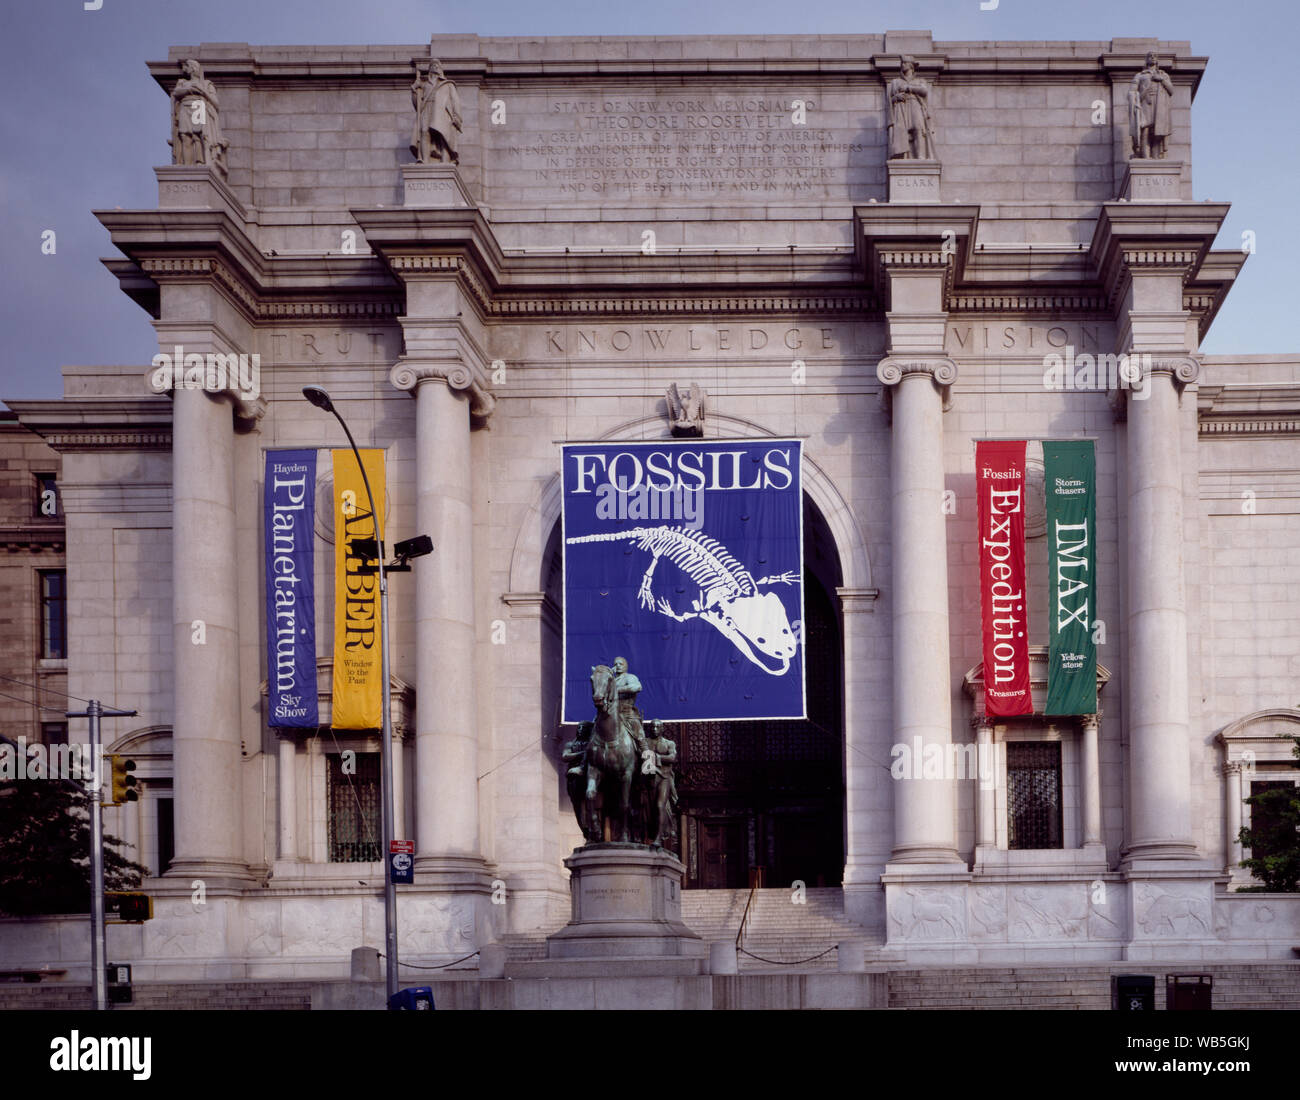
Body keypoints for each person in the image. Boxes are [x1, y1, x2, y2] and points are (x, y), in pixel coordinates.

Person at [170, 59, 228, 175]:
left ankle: (200, 162)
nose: (184, 69)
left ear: (193, 68)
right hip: (185, 107)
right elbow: (176, 92)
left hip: (198, 106)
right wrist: (190, 89)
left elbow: (216, 104)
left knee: (197, 136)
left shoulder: (206, 84)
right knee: (184, 136)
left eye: (186, 66)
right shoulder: (182, 82)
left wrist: (203, 92)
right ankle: (187, 165)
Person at [410, 59, 463, 164]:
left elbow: (455, 101)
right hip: (427, 109)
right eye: (432, 65)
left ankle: (445, 160)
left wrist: (457, 117)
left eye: (437, 65)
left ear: (440, 70)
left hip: (442, 113)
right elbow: (418, 105)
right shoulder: (424, 85)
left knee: (442, 136)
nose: (435, 67)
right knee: (424, 132)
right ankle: (425, 159)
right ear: (429, 69)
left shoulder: (448, 84)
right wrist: (414, 90)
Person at [887, 56, 936, 161]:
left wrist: (909, 88)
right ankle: (904, 155)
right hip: (901, 108)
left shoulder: (920, 80)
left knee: (918, 128)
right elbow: (890, 99)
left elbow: (924, 91)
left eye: (904, 63)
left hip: (915, 105)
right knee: (902, 131)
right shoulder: (895, 82)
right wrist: (896, 97)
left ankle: (920, 155)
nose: (902, 65)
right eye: (902, 63)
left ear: (911, 65)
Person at [1129, 53, 1173, 159]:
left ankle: (1155, 157)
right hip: (1145, 105)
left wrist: (1161, 80)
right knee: (1145, 130)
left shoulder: (1163, 75)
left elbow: (1171, 90)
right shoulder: (1140, 75)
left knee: (1158, 133)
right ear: (1146, 60)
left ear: (1157, 60)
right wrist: (1142, 92)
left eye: (1155, 56)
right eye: (1150, 56)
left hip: (1160, 106)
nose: (1152, 57)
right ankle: (1145, 157)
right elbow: (1132, 91)